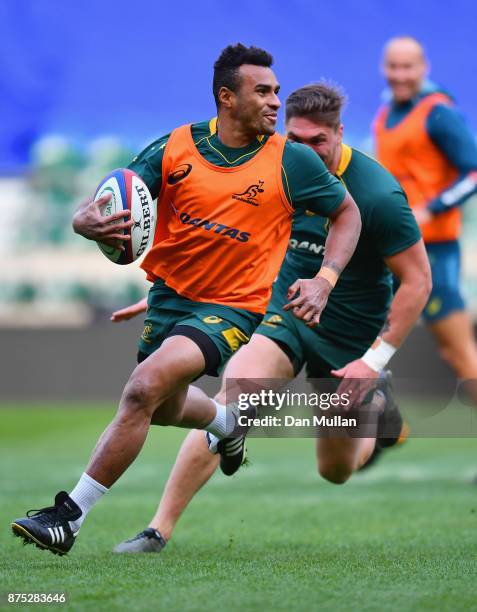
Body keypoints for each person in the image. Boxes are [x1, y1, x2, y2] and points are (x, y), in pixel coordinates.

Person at [10, 45, 361, 556]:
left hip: (234, 307)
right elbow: (113, 197)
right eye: (262, 91)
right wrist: (81, 220)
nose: (274, 102)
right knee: (163, 405)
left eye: (276, 92)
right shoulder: (175, 147)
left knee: (141, 389)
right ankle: (226, 423)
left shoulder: (292, 161)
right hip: (170, 298)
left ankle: (68, 516)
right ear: (227, 97)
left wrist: (326, 278)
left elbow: (346, 212)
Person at [110, 82, 431, 554]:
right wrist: (173, 293)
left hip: (351, 336)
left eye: (318, 141)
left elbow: (418, 281)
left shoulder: (378, 194)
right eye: (295, 140)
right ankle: (158, 529)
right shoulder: (273, 167)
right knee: (234, 399)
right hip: (283, 311)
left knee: (336, 470)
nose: (305, 151)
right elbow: (231, 237)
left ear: (340, 133)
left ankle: (378, 415)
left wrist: (373, 361)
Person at [374, 36, 477, 394]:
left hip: (434, 253)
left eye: (407, 67)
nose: (399, 75)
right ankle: (382, 434)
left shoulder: (438, 112)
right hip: (391, 251)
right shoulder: (386, 114)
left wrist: (429, 210)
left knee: (458, 354)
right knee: (365, 349)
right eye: (393, 66)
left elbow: (473, 173)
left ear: (423, 68)